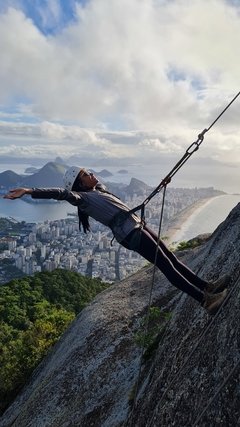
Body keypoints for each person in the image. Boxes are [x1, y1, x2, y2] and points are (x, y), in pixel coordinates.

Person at [4, 166, 229, 315]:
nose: (91, 173)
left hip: (138, 225)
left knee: (171, 257)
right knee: (166, 266)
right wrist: (29, 190)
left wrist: (162, 184)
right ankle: (205, 300)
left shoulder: (98, 190)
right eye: (85, 174)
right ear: (80, 184)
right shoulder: (82, 199)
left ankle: (207, 286)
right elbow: (61, 194)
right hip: (131, 234)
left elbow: (103, 187)